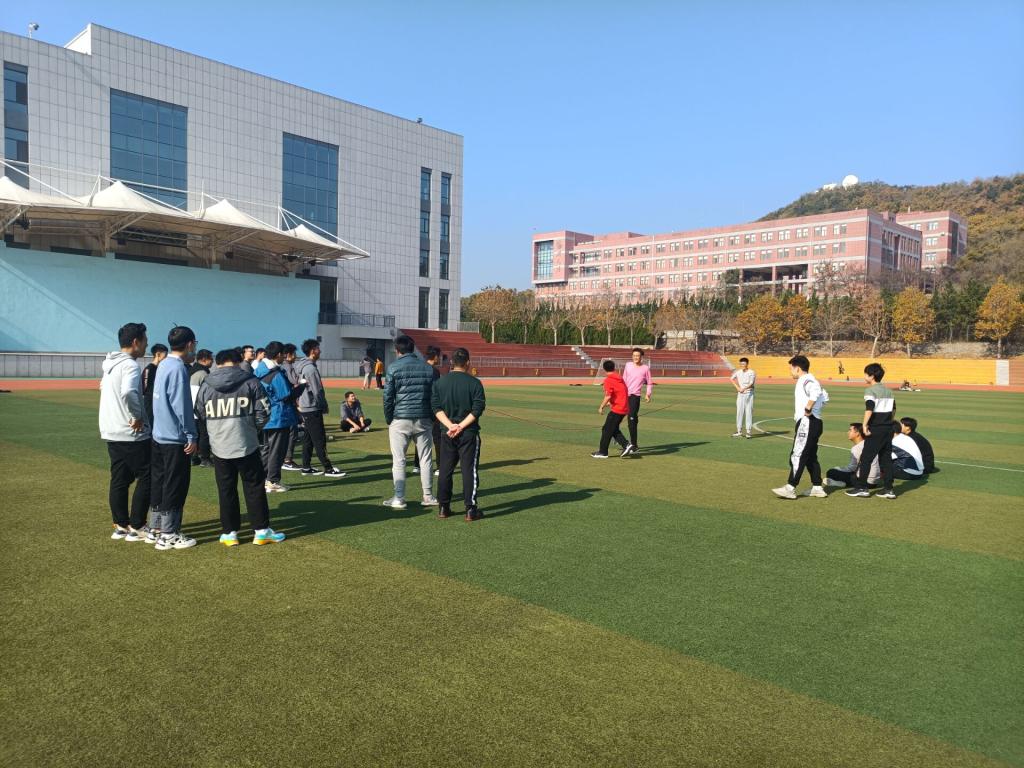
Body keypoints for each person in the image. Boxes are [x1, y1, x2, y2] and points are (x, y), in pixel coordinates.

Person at [195, 348, 286, 546]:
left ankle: (229, 533)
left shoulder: (207, 384)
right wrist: (251, 429)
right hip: (246, 443)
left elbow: (200, 412)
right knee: (254, 487)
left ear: (218, 363)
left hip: (219, 445)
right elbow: (264, 411)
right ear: (237, 361)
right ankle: (261, 531)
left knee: (226, 489)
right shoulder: (251, 381)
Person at [99, 322, 152, 541]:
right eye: (145, 341)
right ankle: (137, 525)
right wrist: (136, 416)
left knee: (120, 478)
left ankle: (121, 525)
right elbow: (129, 391)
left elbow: (103, 388)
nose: (146, 345)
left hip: (111, 429)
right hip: (129, 431)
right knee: (148, 475)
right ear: (136, 342)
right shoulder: (130, 365)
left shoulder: (110, 365)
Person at [150, 325, 199, 550]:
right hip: (174, 438)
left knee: (160, 483)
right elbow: (182, 407)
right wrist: (192, 435)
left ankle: (156, 527)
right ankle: (168, 534)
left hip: (159, 435)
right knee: (175, 485)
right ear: (189, 344)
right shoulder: (178, 368)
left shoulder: (163, 364)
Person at [382, 334, 438, 509]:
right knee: (426, 458)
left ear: (397, 350)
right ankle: (428, 496)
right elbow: (435, 397)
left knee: (399, 460)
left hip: (400, 418)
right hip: (423, 418)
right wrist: (432, 417)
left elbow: (388, 397)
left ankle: (399, 497)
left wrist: (389, 418)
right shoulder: (428, 368)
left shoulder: (393, 367)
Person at [432, 347, 486, 521]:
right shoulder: (475, 383)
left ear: (451, 362)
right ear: (468, 363)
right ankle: (470, 508)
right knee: (468, 470)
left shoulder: (440, 383)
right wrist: (460, 426)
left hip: (447, 432)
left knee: (445, 470)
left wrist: (451, 426)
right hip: (468, 432)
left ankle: (443, 506)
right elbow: (477, 409)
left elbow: (436, 408)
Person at [772, 355, 828, 499]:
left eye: (791, 368)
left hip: (807, 422)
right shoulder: (810, 379)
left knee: (798, 454)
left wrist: (808, 408)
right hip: (814, 422)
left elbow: (816, 392)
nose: (790, 371)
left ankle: (790, 487)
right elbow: (825, 397)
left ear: (797, 368)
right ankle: (817, 487)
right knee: (810, 456)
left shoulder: (806, 380)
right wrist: (816, 407)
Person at [254, 341, 304, 493]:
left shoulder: (258, 370)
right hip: (278, 417)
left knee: (265, 449)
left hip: (263, 415)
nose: (285, 357)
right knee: (277, 450)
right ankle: (272, 481)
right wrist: (302, 386)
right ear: (278, 355)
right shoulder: (275, 374)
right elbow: (286, 395)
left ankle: (263, 479)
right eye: (283, 354)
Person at [295, 339, 345, 477]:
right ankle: (328, 468)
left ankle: (306, 466)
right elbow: (317, 390)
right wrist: (323, 405)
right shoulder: (310, 368)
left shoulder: (302, 366)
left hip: (305, 406)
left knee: (308, 439)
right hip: (312, 407)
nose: (320, 351)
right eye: (318, 348)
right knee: (319, 439)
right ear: (312, 351)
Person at [846, 363, 896, 499]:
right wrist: (888, 422)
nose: (864, 376)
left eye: (865, 374)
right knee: (886, 459)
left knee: (866, 458)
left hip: (876, 428)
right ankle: (889, 489)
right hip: (888, 428)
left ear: (871, 376)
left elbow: (869, 408)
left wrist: (865, 425)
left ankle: (862, 488)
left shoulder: (870, 390)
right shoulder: (889, 391)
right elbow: (893, 410)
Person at [591, 359, 632, 458]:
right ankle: (626, 445)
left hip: (618, 409)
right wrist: (612, 402)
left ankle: (603, 452)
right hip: (624, 407)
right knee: (613, 429)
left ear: (604, 369)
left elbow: (608, 396)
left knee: (606, 429)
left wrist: (601, 406)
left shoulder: (608, 380)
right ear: (613, 368)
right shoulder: (619, 378)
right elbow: (620, 392)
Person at [825, 424, 880, 488]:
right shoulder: (870, 444)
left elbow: (852, 468)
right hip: (875, 482)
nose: (848, 432)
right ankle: (843, 483)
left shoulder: (857, 448)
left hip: (865, 482)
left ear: (857, 433)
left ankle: (845, 483)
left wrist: (838, 468)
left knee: (831, 472)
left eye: (850, 430)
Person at [622, 348, 651, 452]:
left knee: (631, 420)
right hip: (624, 395)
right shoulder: (628, 365)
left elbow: (649, 382)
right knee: (616, 417)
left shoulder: (645, 368)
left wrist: (648, 394)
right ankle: (617, 437)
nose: (635, 357)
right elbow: (623, 379)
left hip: (635, 397)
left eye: (637, 356)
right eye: (634, 355)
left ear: (641, 357)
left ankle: (634, 445)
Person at [189, 349, 214, 468]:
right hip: (199, 409)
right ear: (204, 359)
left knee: (195, 435)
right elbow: (201, 393)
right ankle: (205, 458)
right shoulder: (202, 373)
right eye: (211, 359)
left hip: (191, 409)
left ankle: (194, 458)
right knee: (204, 434)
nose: (212, 361)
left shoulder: (192, 370)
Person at [280, 343, 302, 472]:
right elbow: (294, 380)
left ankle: (284, 458)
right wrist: (302, 381)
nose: (295, 356)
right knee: (292, 432)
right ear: (288, 355)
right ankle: (287, 460)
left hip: (284, 404)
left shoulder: (281, 366)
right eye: (294, 353)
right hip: (288, 404)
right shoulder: (287, 366)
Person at [142, 343, 168, 426]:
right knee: (151, 424)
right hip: (150, 404)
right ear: (158, 354)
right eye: (165, 355)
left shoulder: (161, 369)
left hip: (159, 403)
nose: (166, 358)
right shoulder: (149, 369)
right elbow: (144, 389)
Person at [730, 357, 756, 438]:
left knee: (748, 412)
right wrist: (737, 388)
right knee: (739, 412)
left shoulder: (751, 372)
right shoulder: (738, 372)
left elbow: (751, 383)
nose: (742, 365)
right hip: (740, 394)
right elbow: (731, 379)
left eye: (744, 364)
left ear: (747, 364)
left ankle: (748, 432)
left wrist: (744, 388)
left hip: (749, 394)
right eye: (741, 364)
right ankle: (739, 431)